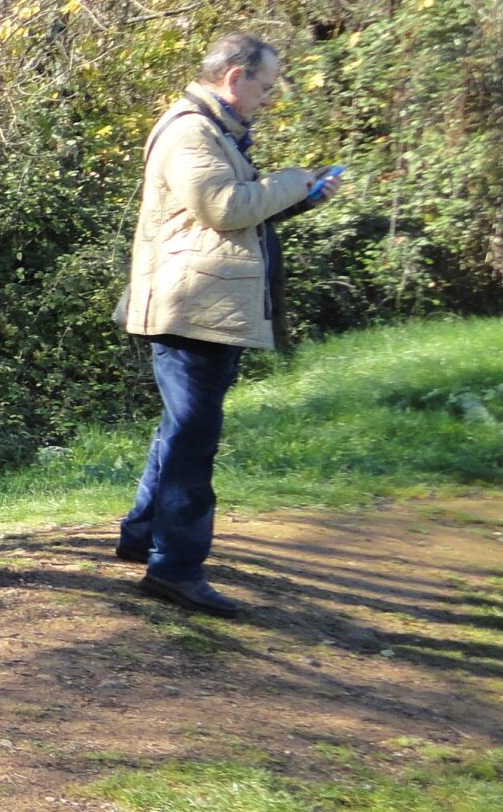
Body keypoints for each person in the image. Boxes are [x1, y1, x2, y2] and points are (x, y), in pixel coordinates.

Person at [118, 31, 340, 617]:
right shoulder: (191, 130)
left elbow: (231, 213)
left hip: (203, 309)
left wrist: (305, 196)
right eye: (264, 87)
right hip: (191, 311)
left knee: (182, 429)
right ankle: (176, 569)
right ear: (233, 76)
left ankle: (142, 535)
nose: (268, 98)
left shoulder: (215, 129)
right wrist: (295, 178)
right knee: (194, 440)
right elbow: (224, 206)